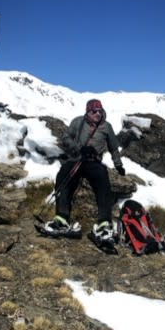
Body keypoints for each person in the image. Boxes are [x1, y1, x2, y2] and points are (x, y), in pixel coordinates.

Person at [50, 99, 125, 241]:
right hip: (76, 159)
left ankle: (104, 222)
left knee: (103, 183)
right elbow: (66, 137)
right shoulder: (78, 122)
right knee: (64, 176)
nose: (98, 113)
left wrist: (118, 165)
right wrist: (78, 148)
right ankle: (62, 217)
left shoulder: (106, 127)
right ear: (87, 112)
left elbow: (113, 148)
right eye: (94, 111)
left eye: (100, 111)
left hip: (94, 162)